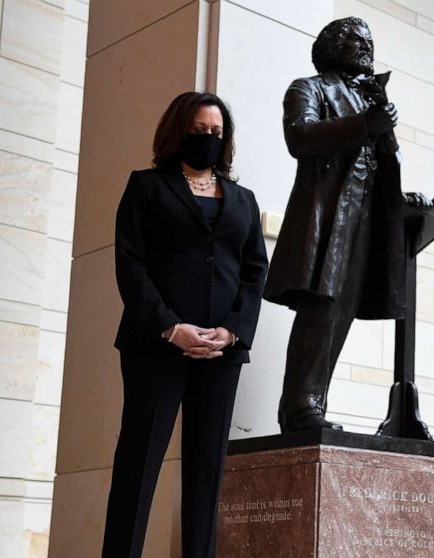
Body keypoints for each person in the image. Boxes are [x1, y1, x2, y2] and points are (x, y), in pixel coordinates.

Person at [103, 91, 269, 558]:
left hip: (221, 352)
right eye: (200, 131)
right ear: (180, 132)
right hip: (156, 347)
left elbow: (255, 270)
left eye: (217, 133)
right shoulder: (147, 186)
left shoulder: (243, 199)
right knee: (138, 464)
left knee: (206, 472)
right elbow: (130, 265)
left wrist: (233, 330)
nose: (209, 139)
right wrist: (171, 327)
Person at [263, 17, 404, 432]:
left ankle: (315, 401)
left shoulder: (369, 97)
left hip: (365, 218)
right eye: (358, 40)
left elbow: (381, 160)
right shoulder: (309, 88)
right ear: (333, 45)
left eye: (370, 41)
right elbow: (300, 136)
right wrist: (364, 126)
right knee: (320, 306)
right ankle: (298, 404)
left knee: (341, 312)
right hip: (327, 215)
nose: (366, 47)